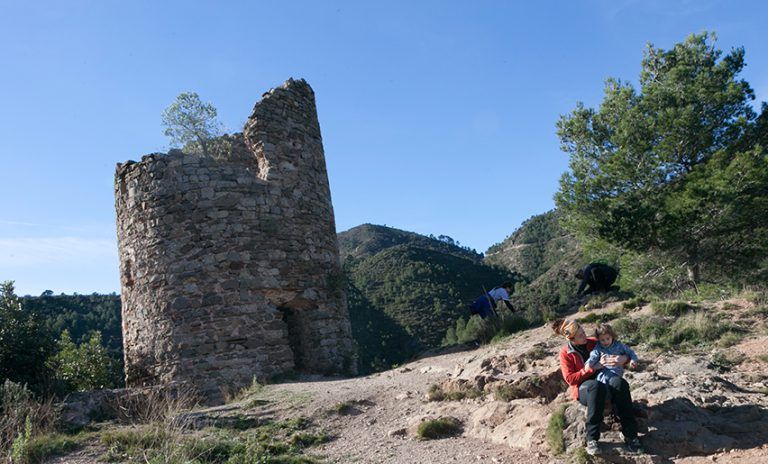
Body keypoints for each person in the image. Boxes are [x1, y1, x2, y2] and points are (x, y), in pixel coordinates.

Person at [552, 318, 644, 456]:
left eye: (583, 331)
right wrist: (591, 369)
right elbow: (570, 379)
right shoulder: (566, 353)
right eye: (580, 335)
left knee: (620, 384)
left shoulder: (596, 342)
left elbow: (619, 350)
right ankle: (592, 439)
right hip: (585, 388)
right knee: (595, 387)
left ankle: (630, 435)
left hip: (606, 382)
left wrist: (624, 359)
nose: (584, 335)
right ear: (572, 339)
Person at [586, 323, 639, 390]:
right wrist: (589, 363)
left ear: (612, 336)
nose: (606, 342)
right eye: (602, 340)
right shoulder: (598, 348)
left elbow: (630, 352)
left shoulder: (619, 346)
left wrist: (633, 360)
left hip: (615, 371)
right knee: (599, 383)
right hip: (602, 372)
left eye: (608, 338)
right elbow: (593, 356)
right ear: (598, 339)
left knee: (612, 384)